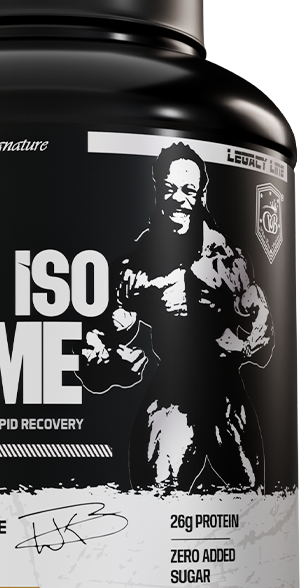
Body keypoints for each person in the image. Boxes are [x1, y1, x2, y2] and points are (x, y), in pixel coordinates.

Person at [78, 142, 274, 492]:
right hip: (172, 393)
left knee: (255, 503)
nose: (178, 199)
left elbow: (266, 337)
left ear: (201, 195)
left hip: (226, 393)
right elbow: (96, 352)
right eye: (169, 189)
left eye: (187, 190)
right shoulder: (136, 270)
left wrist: (242, 346)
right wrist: (111, 363)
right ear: (157, 190)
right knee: (154, 496)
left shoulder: (229, 262)